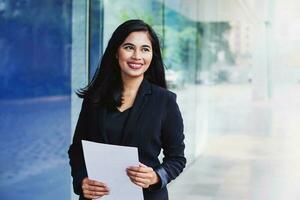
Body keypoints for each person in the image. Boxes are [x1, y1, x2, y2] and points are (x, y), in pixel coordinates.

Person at [68, 19, 186, 200]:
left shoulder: (165, 101)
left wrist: (156, 176)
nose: (137, 56)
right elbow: (77, 151)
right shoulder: (95, 98)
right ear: (116, 52)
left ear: (152, 55)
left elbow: (177, 158)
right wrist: (81, 181)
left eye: (145, 49)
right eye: (129, 47)